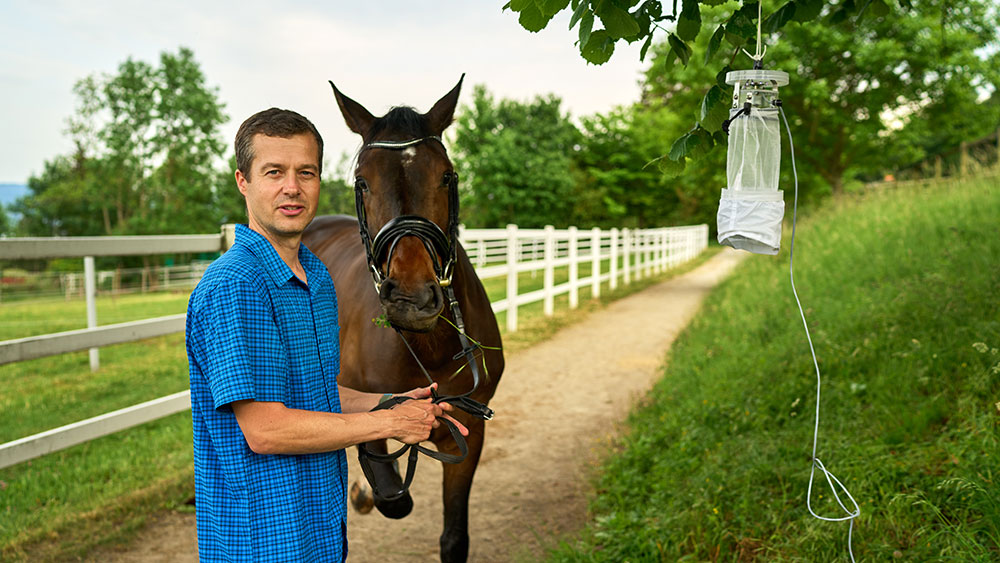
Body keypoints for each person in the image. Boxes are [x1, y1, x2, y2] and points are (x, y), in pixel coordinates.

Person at [185, 107, 465, 562]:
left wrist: (391, 401)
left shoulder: (313, 276)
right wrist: (388, 424)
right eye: (273, 172)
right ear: (243, 182)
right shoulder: (235, 286)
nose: (292, 187)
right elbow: (265, 429)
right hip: (263, 539)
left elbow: (311, 394)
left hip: (318, 528)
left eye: (306, 172)